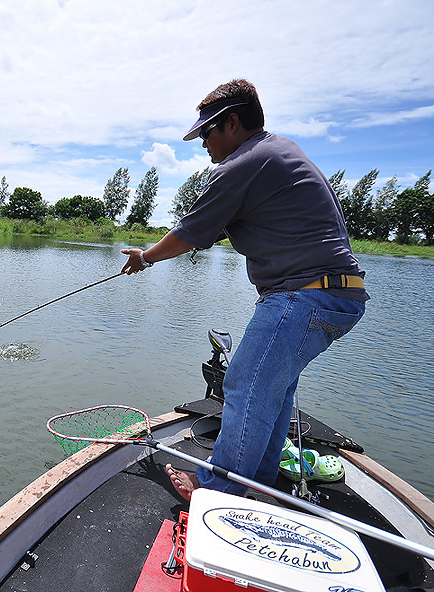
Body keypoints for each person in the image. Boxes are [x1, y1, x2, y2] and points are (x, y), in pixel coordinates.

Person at [121, 79, 368, 500]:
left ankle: (217, 489)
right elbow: (218, 228)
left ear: (232, 123)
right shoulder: (279, 152)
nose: (203, 145)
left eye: (205, 133)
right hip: (338, 295)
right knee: (271, 393)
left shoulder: (244, 163)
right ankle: (259, 479)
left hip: (303, 295)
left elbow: (188, 234)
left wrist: (146, 258)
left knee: (244, 385)